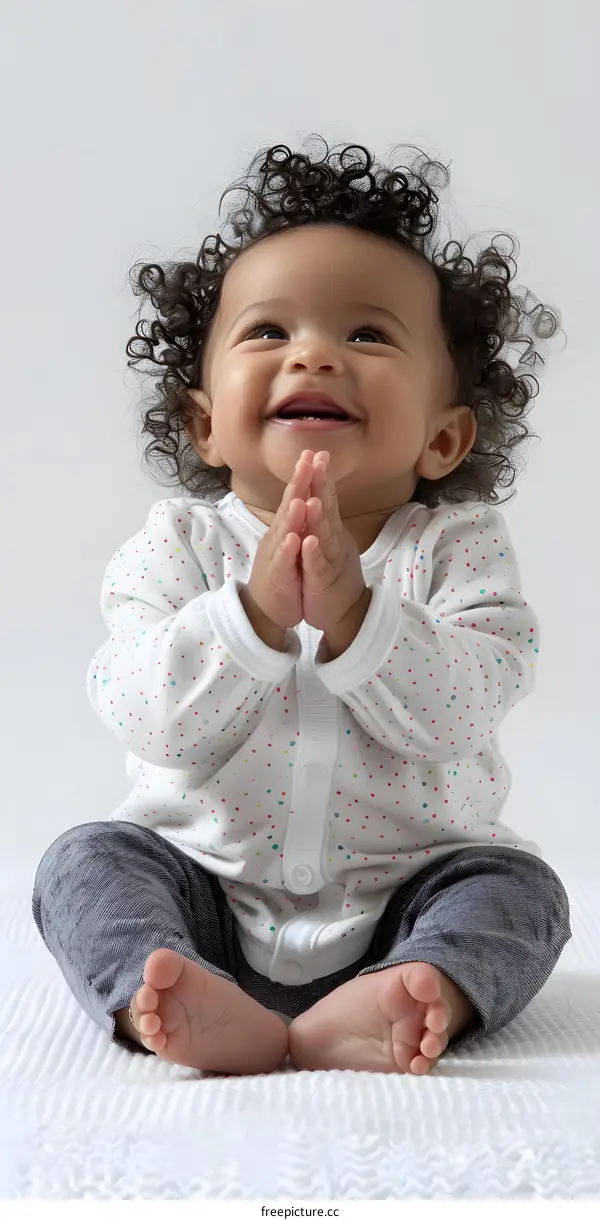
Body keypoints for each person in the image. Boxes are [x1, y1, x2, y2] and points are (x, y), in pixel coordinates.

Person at [32, 140, 571, 1076]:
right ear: (205, 423)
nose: (313, 353)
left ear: (444, 438)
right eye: (268, 331)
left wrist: (362, 616)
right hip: (203, 890)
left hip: (410, 895)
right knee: (84, 864)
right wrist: (251, 616)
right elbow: (143, 713)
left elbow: (466, 707)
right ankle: (166, 990)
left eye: (368, 336)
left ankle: (417, 987)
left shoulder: (458, 548)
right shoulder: (179, 546)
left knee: (522, 893)